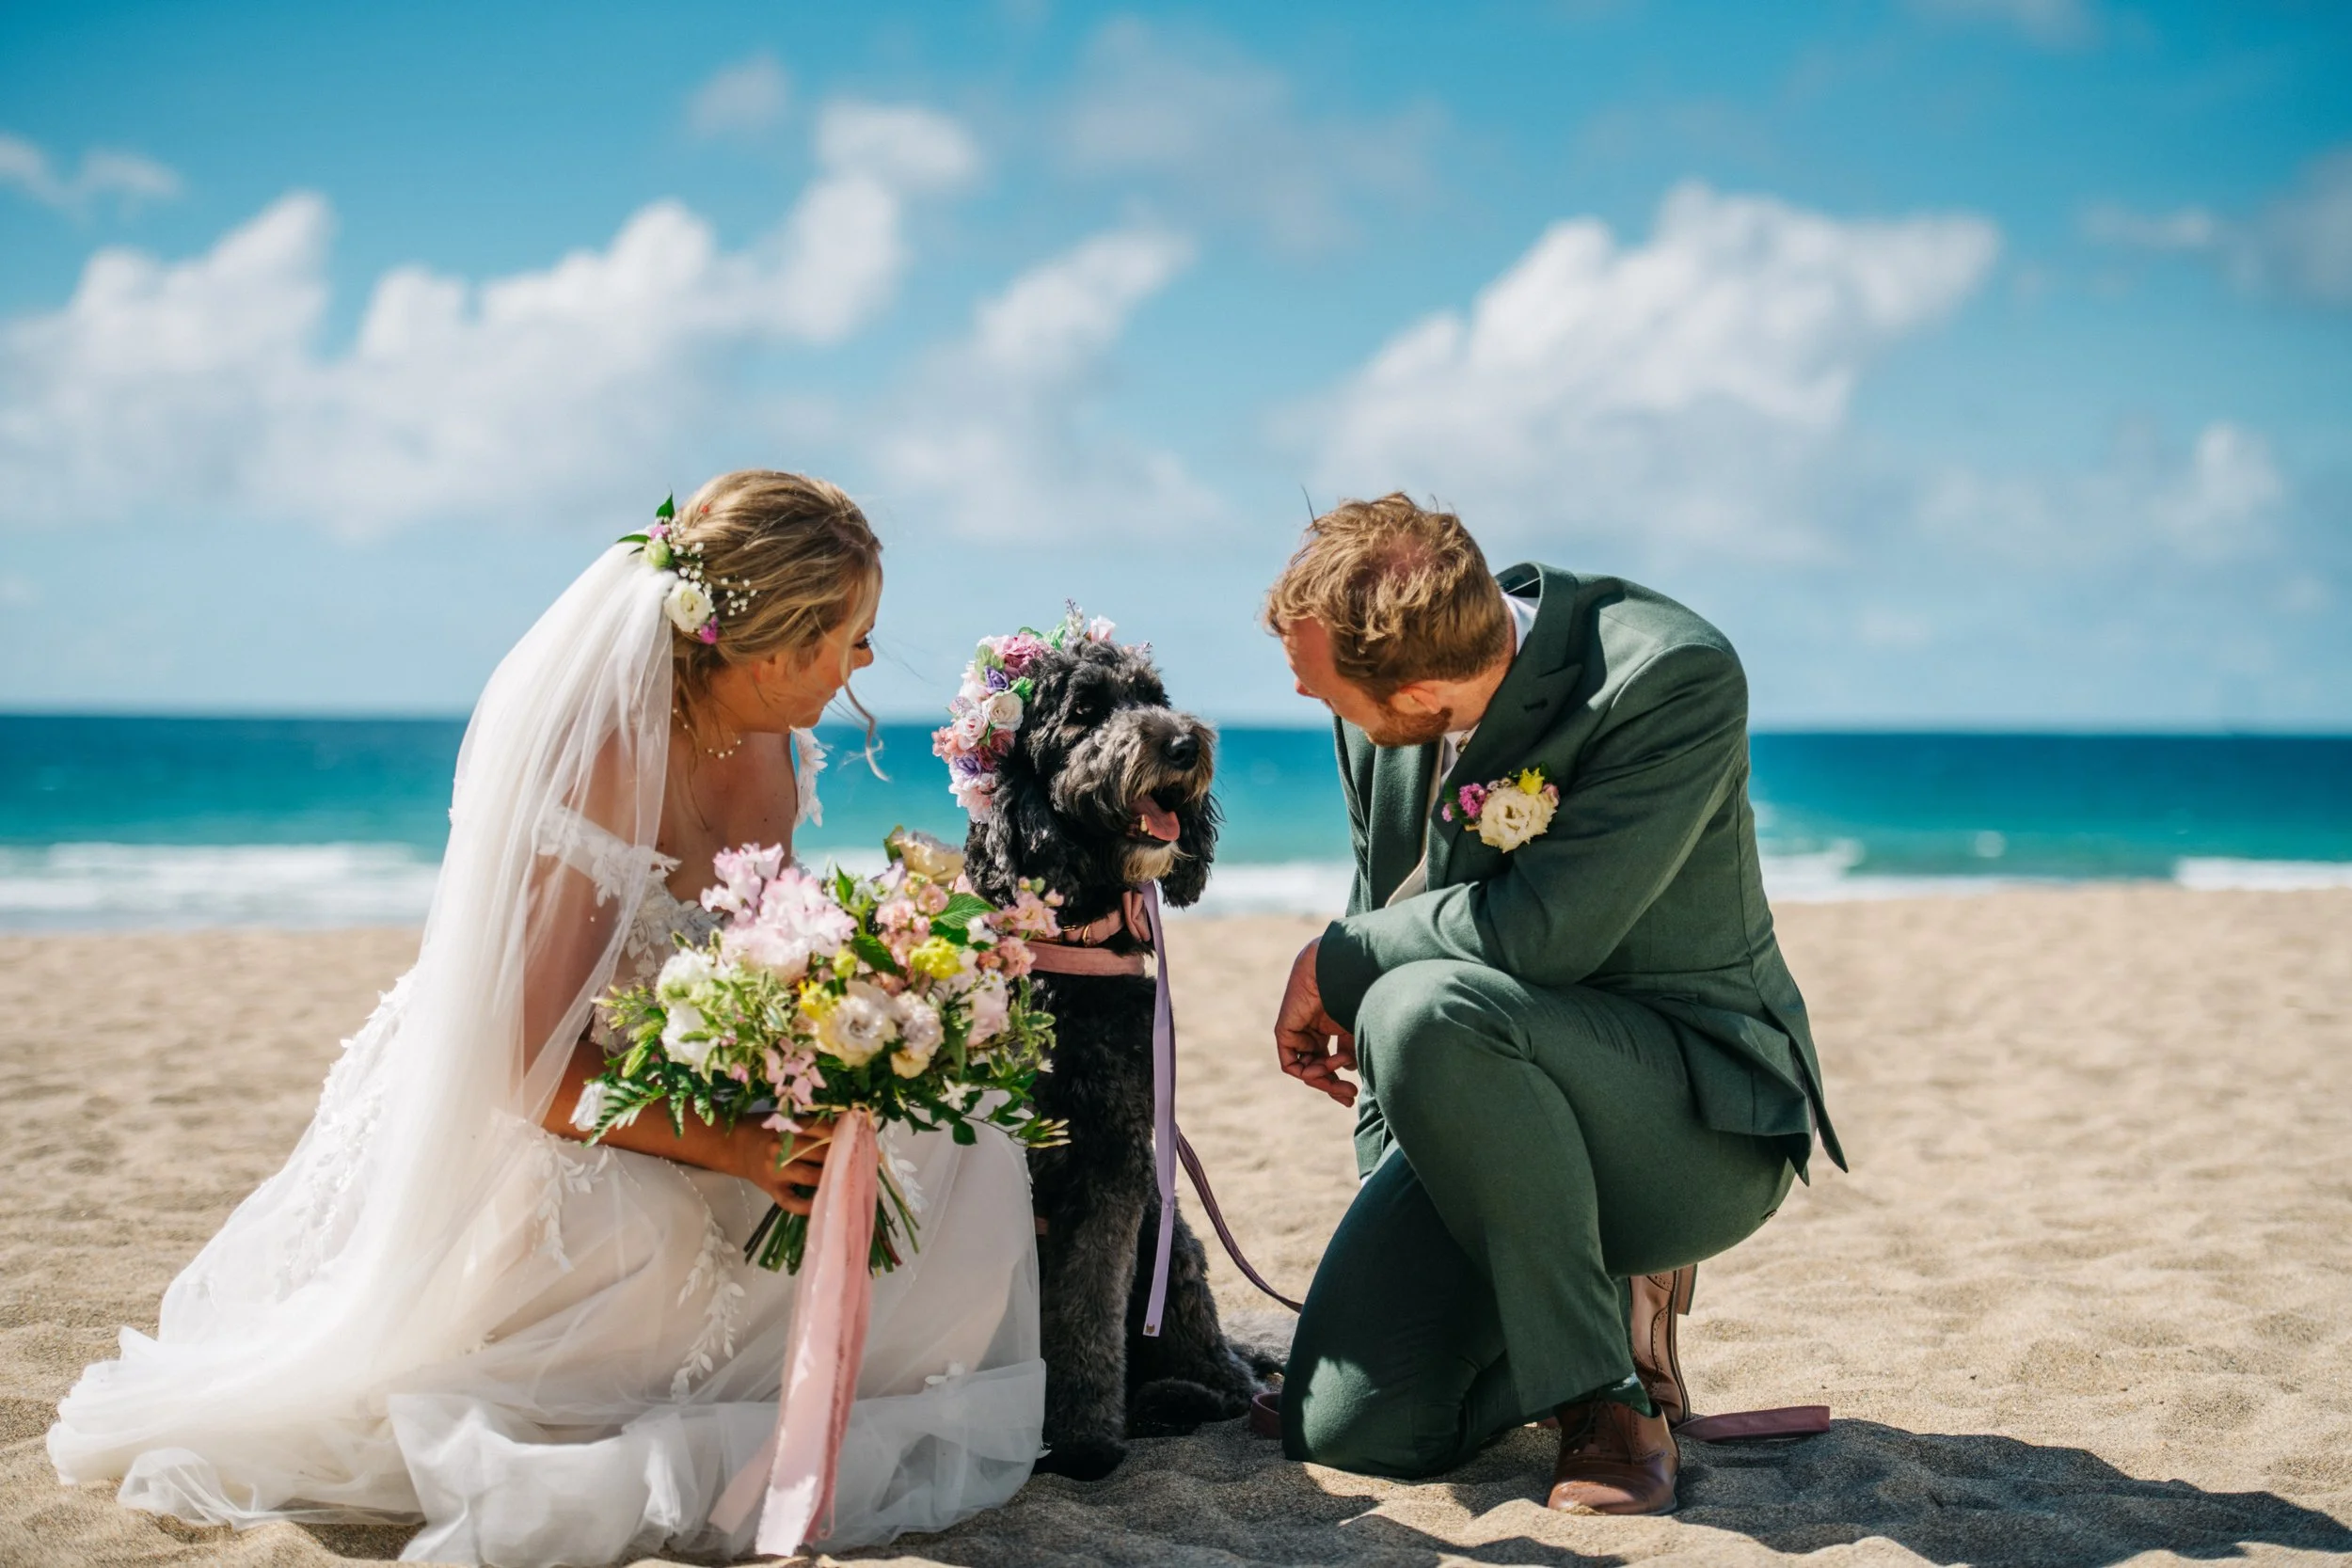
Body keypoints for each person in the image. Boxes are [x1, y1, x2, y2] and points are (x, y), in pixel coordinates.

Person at [48, 471, 1045, 1566]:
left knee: (959, 1147)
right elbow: (520, 1063)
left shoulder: (769, 738)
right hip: (540, 1100)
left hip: (685, 1062)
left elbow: (766, 948)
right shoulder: (607, 759)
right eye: (851, 637)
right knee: (640, 1247)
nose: (862, 665)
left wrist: (832, 1042)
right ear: (768, 648)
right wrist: (731, 1142)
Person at [1262, 494, 1843, 1515]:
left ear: (1421, 685)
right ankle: (1567, 1306)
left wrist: (1335, 956)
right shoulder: (1382, 721)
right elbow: (1382, 953)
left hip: (1689, 1118)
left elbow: (1536, 935)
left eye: (1327, 695)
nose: (1318, 709)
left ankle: (1607, 1396)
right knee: (1352, 1427)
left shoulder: (1671, 677)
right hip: (1486, 1106)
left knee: (1421, 1004)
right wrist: (1396, 1198)